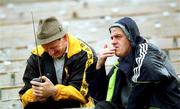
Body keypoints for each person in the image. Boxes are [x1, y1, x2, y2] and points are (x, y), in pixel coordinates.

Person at [92, 17, 180, 109]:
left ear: (130, 37)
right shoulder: (120, 64)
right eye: (112, 38)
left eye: (118, 37)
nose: (113, 42)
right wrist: (100, 65)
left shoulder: (147, 55)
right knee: (103, 106)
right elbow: (99, 98)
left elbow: (137, 99)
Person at [19, 16, 97, 109]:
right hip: (48, 103)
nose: (51, 52)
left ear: (64, 37)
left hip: (75, 104)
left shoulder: (83, 54)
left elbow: (83, 95)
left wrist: (55, 91)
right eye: (46, 48)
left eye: (53, 47)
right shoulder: (37, 55)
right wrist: (37, 94)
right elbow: (23, 95)